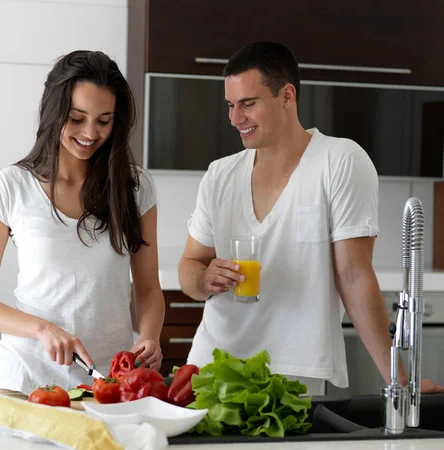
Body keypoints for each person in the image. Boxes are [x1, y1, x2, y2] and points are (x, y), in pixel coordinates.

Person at [178, 41, 444, 396]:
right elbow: (189, 268)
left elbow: (353, 274)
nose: (235, 118)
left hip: (295, 371)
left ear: (287, 96)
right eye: (230, 105)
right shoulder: (219, 175)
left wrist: (398, 379)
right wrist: (203, 278)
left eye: (248, 104)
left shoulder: (340, 161)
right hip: (212, 365)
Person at [0, 50, 165, 398]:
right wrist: (42, 329)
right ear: (54, 112)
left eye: (104, 120)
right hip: (25, 382)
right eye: (76, 118)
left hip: (108, 385)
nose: (90, 133)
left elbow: (147, 290)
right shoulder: (12, 186)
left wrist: (148, 336)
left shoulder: (135, 188)